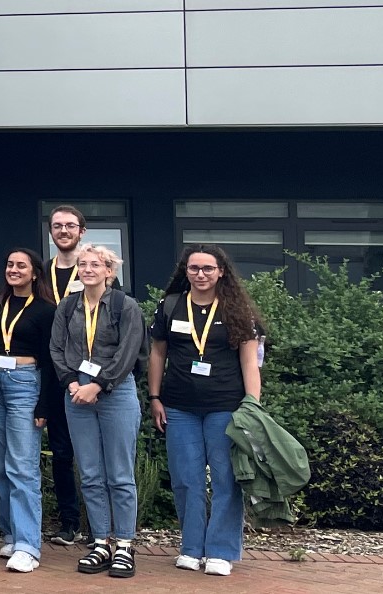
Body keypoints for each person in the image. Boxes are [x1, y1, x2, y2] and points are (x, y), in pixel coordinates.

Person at [150, 245, 264, 578]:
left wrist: (252, 405)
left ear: (221, 272)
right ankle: (191, 547)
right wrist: (155, 397)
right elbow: (158, 354)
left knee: (227, 479)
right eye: (194, 268)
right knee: (186, 479)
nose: (201, 274)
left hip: (226, 406)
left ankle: (221, 551)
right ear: (185, 271)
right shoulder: (170, 306)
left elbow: (250, 361)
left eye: (208, 269)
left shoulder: (238, 310)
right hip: (179, 406)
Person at [48, 244, 145, 579]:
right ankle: (101, 541)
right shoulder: (68, 306)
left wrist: (98, 384)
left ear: (109, 271)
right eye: (83, 264)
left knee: (119, 474)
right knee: (89, 473)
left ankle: (124, 545)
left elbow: (129, 351)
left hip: (114, 391)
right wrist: (71, 382)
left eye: (96, 264)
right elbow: (56, 348)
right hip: (76, 392)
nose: (87, 269)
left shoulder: (124, 305)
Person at [0, 248, 58, 573]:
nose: (14, 269)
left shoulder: (45, 310)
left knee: (22, 466)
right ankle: (10, 533)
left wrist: (44, 404)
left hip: (26, 383)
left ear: (34, 272)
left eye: (21, 265)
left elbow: (50, 361)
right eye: (10, 264)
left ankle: (28, 546)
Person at [42, 205, 89, 546]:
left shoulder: (92, 269)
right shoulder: (41, 273)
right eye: (57, 226)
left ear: (81, 232)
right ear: (50, 232)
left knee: (93, 452)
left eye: (70, 225)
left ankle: (100, 525)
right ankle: (69, 522)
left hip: (86, 373)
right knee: (61, 452)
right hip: (51, 373)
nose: (63, 231)